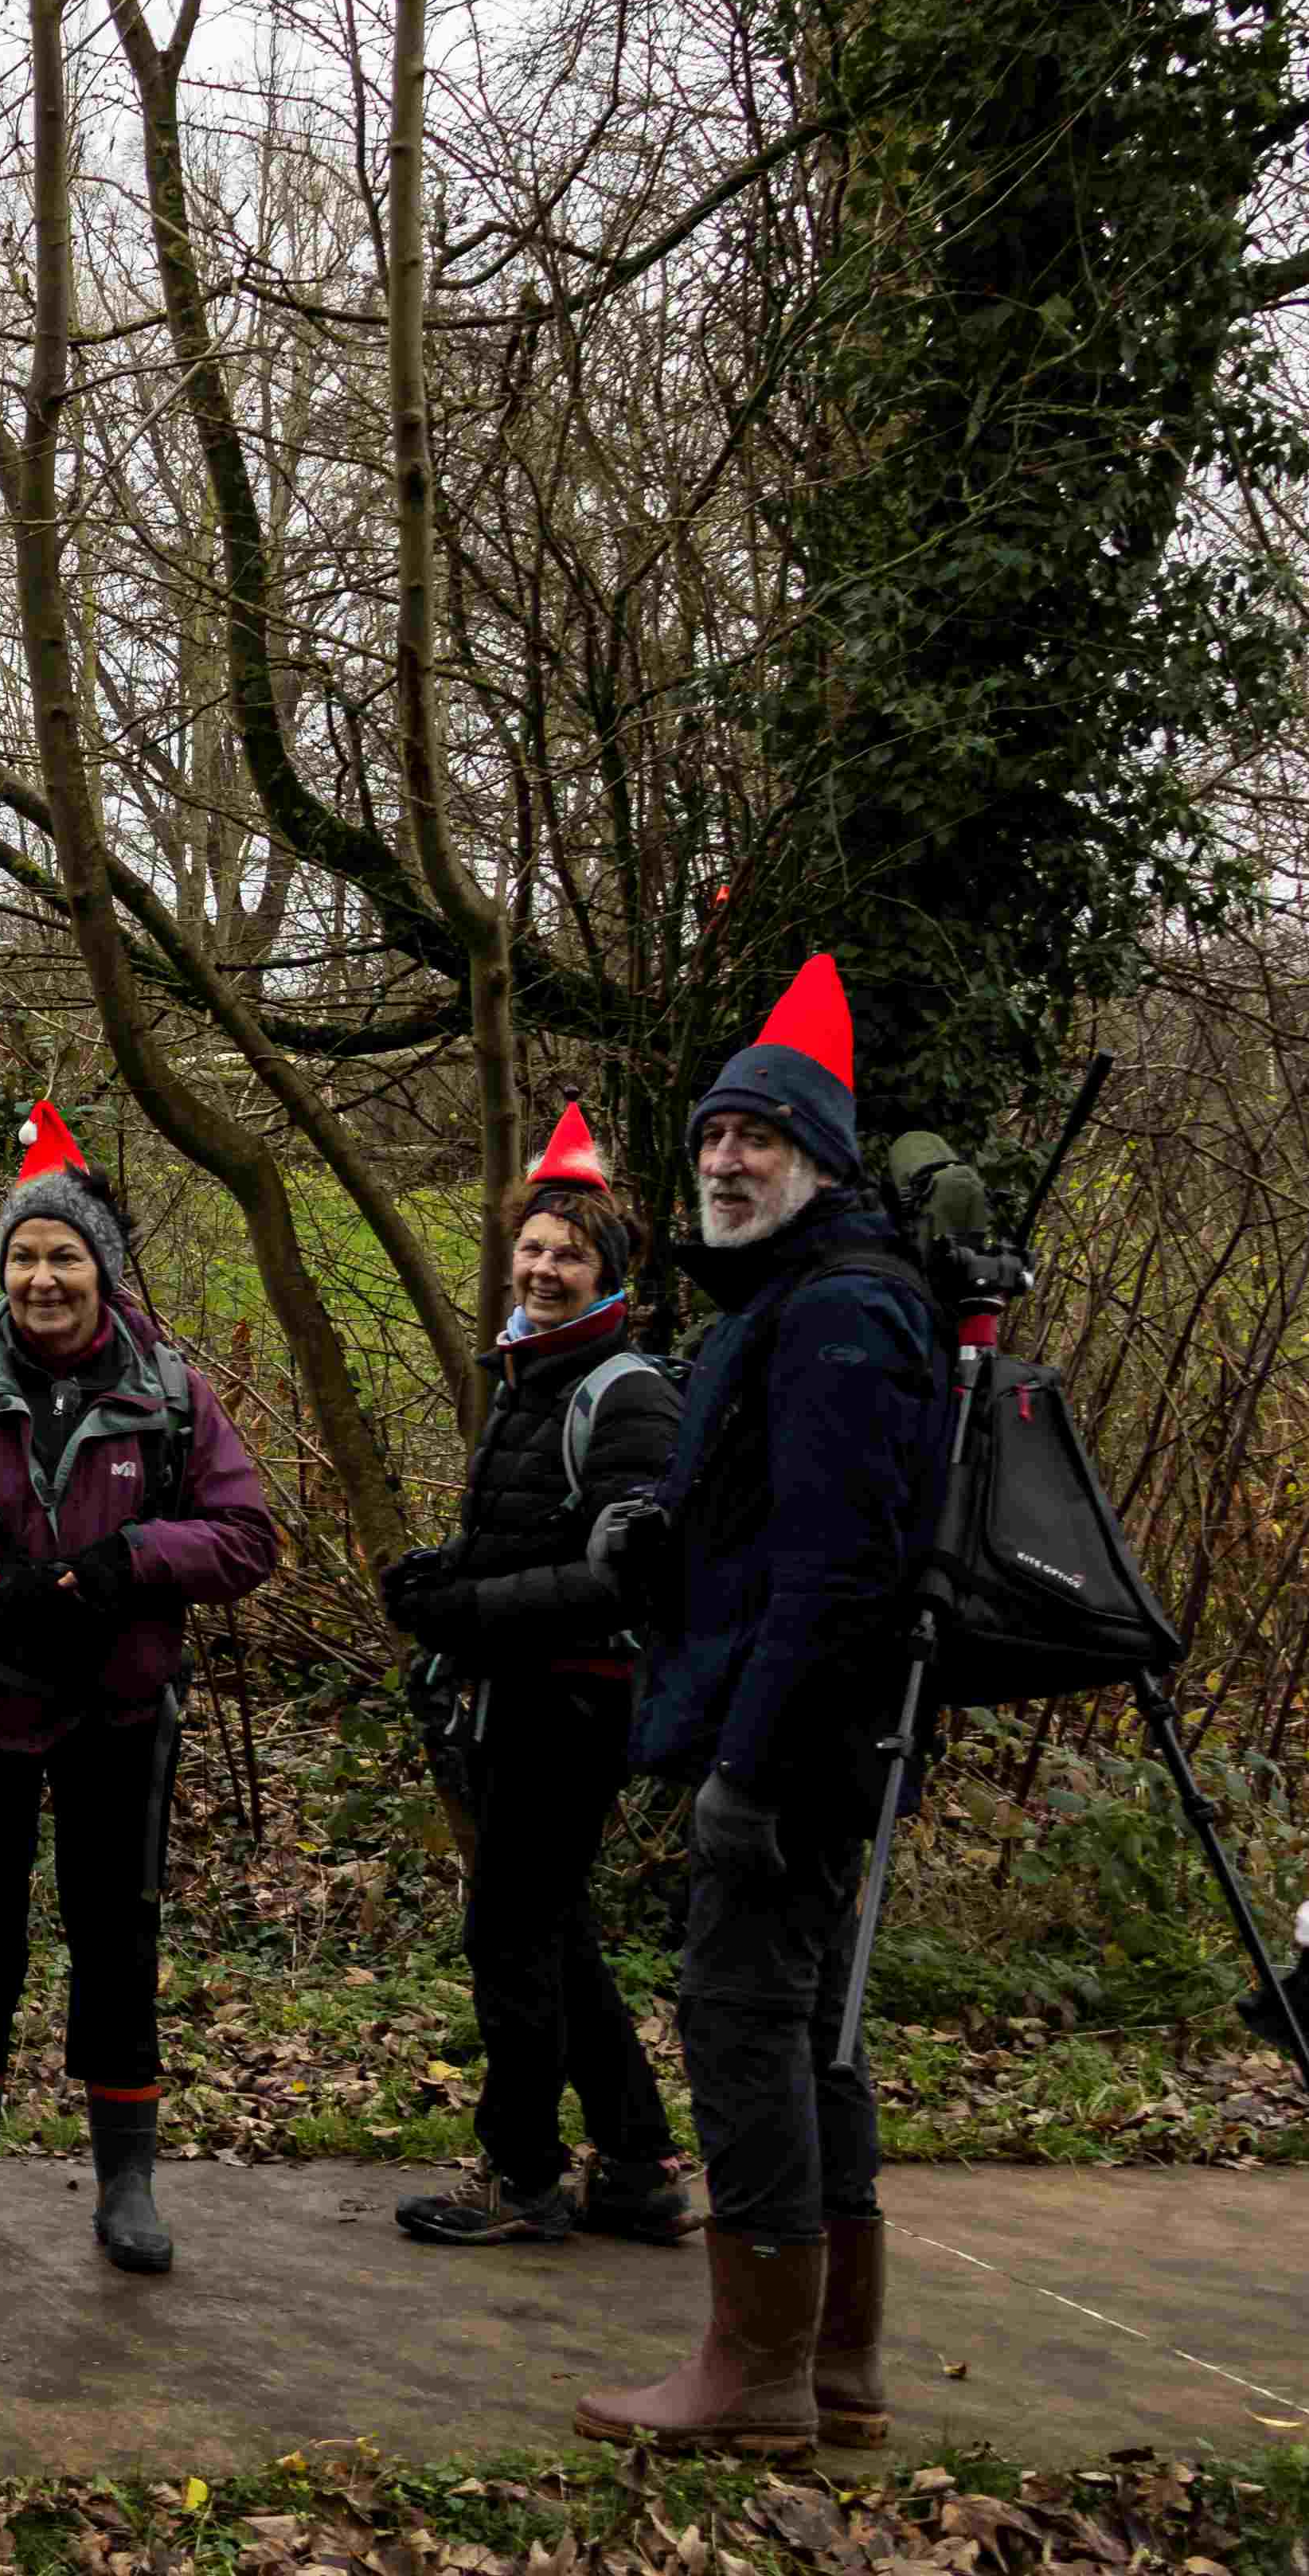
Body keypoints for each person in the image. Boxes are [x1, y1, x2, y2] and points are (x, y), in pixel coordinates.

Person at [576, 954, 944, 2455]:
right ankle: (835, 2358)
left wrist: (752, 1762)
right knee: (808, 2032)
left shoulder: (844, 1314)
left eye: (763, 1138)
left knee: (742, 2022)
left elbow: (840, 1570)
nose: (728, 1158)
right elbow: (763, 1531)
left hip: (797, 1747)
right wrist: (657, 1548)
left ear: (824, 1160)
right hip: (800, 1732)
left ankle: (757, 2369)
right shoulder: (792, 1301)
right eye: (717, 1135)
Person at [0, 1100, 282, 2275]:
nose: (43, 1278)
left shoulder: (176, 1393)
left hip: (119, 1711)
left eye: (64, 1255)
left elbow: (246, 1538)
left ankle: (127, 2186)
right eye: (25, 1257)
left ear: (104, 1265)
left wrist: (128, 1564)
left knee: (116, 1937)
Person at [378, 1103, 693, 2249]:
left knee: (509, 1934)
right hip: (523, 1694)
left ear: (610, 1271)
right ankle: (640, 2163)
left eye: (571, 1253)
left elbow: (620, 1578)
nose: (546, 1267)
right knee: (550, 1929)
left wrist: (466, 1610)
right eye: (534, 1247)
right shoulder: (531, 1382)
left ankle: (522, 2177)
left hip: (576, 1701)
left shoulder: (628, 1393)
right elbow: (530, 1544)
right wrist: (439, 1579)